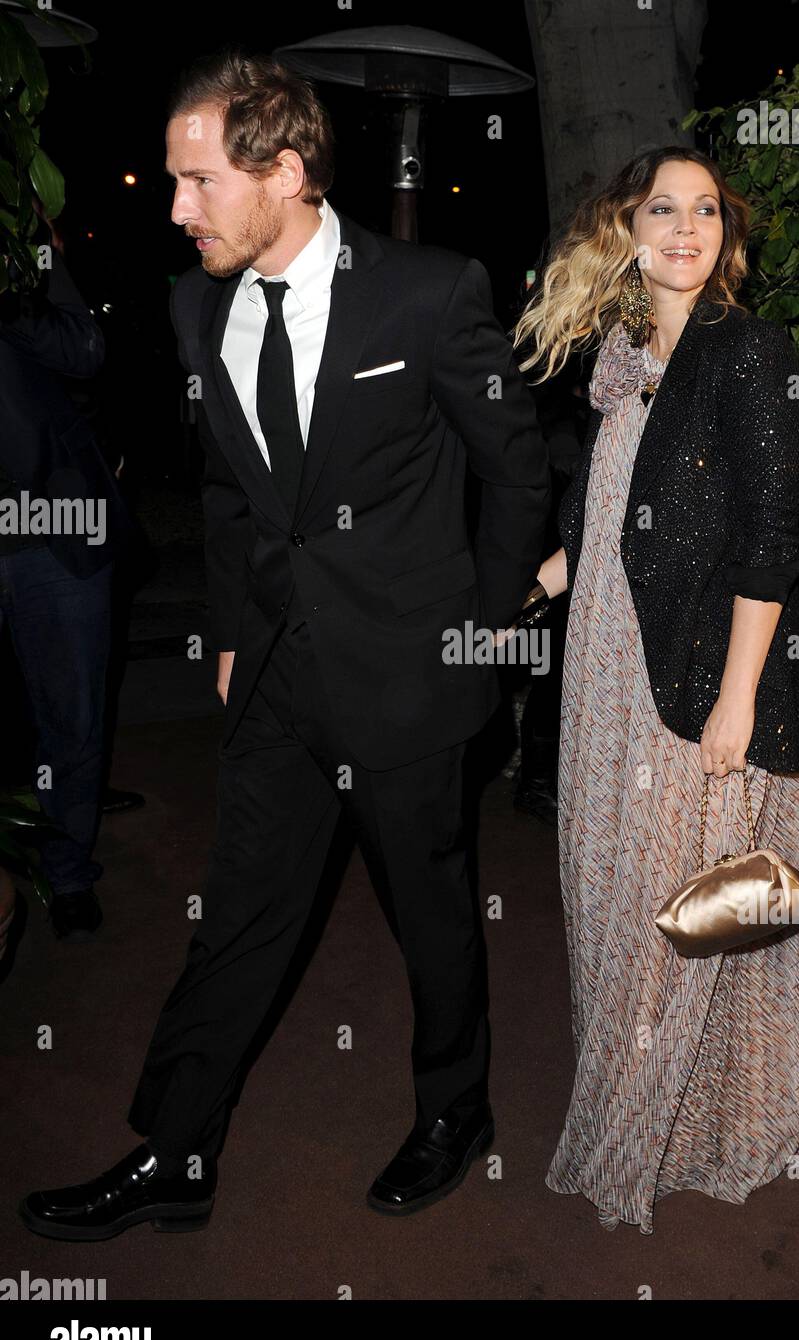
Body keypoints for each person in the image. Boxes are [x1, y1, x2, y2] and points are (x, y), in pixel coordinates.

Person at [19, 48, 549, 1240]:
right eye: (173, 180)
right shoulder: (195, 302)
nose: (174, 208)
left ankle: (455, 1111)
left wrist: (482, 626)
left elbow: (514, 473)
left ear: (287, 171)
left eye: (197, 180)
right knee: (242, 913)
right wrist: (220, 624)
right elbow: (224, 487)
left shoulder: (426, 291)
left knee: (432, 913)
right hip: (275, 672)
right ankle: (176, 1149)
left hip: (410, 679)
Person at [513, 145, 799, 1234]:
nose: (684, 227)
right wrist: (545, 571)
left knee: (685, 909)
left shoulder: (749, 352)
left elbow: (771, 538)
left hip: (694, 673)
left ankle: (653, 1122)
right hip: (602, 669)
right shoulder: (626, 355)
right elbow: (624, 510)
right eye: (660, 208)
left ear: (727, 231)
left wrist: (735, 695)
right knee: (613, 890)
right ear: (622, 226)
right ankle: (687, 1106)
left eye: (704, 209)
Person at [0, 202, 132, 941]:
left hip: (54, 528)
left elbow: (85, 350)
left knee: (72, 719)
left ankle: (66, 868)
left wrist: (18, 289)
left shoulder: (23, 250)